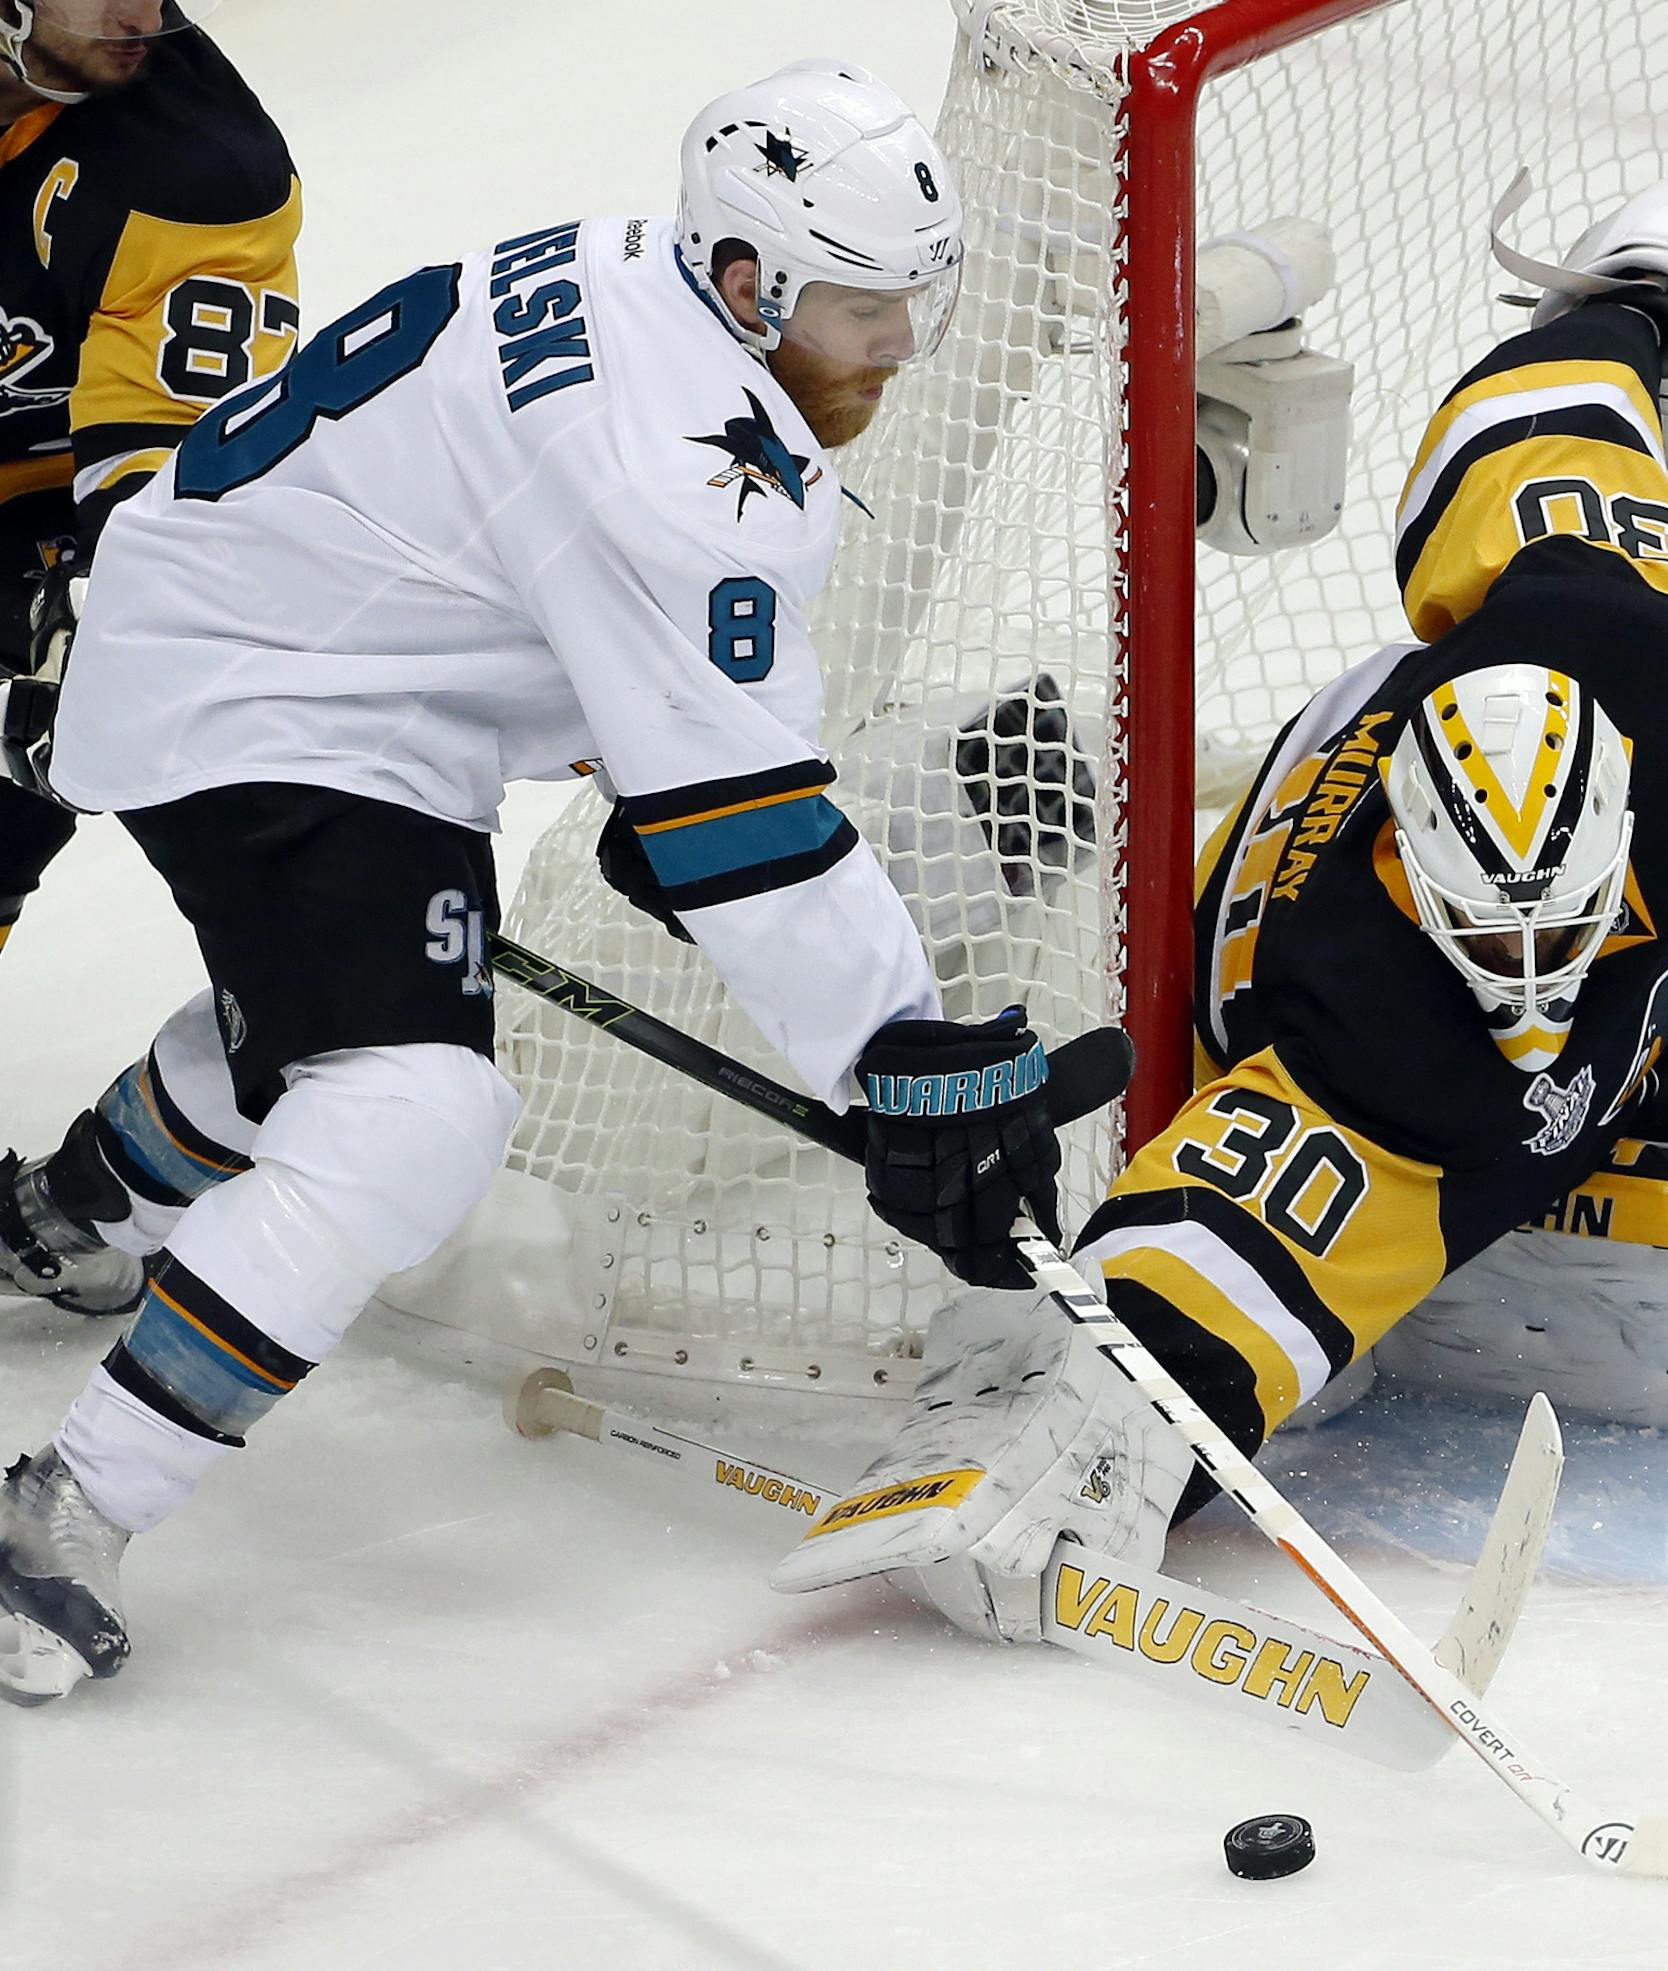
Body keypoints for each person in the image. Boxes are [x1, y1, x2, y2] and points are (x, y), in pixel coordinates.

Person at [770, 134, 1668, 1641]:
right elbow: (1221, 1267)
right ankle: (977, 781)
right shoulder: (1391, 1044)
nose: (1523, 973)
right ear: (1416, 872)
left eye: (1553, 921)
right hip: (1238, 972)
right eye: (1489, 931)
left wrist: (1649, 302)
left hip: (1501, 777)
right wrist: (1093, 1456)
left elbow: (1516, 440)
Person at [0, 58, 1069, 1704]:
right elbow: (738, 825)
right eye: (864, 307)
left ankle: (81, 1208)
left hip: (320, 646)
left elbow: (683, 747)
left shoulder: (647, 278)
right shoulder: (677, 458)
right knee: (413, 1107)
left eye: (915, 298)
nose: (903, 343)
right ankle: (63, 1511)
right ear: (748, 278)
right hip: (263, 693)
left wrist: (714, 836)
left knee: (350, 1004)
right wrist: (893, 1055)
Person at [0, 1, 300, 1017]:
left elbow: (164, 463)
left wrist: (113, 604)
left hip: (52, 501)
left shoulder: (194, 160)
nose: (142, 13)